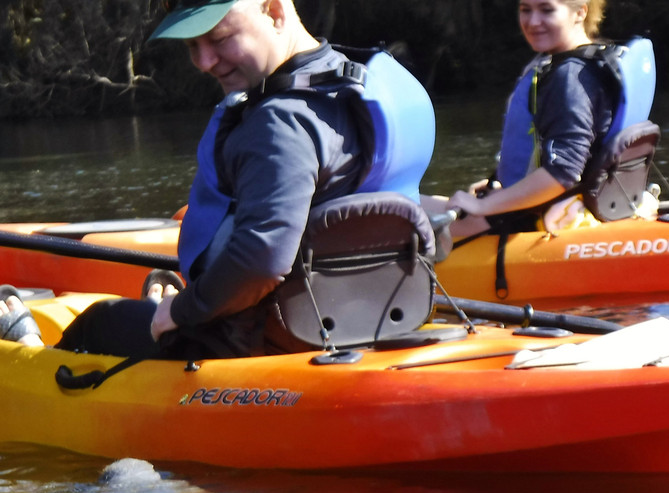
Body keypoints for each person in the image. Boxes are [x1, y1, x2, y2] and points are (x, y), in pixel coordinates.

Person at [1, 0, 393, 358]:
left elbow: (262, 259)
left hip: (256, 339)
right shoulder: (357, 87)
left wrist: (185, 310)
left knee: (101, 320)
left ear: (273, 11)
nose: (204, 61)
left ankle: (28, 348)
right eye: (192, 46)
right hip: (369, 317)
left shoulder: (279, 123)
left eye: (220, 38)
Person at [428, 0, 619, 238]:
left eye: (546, 10)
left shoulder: (570, 78)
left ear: (580, 12)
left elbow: (563, 173)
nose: (533, 21)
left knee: (384, 212)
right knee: (404, 203)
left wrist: (482, 206)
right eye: (525, 10)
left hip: (526, 219)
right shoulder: (583, 62)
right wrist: (500, 180)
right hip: (535, 207)